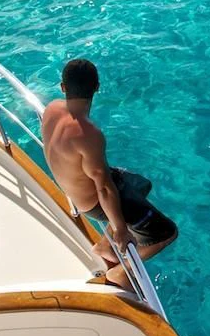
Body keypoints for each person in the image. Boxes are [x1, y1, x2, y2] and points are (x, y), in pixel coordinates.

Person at [41, 59, 177, 288]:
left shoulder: (52, 109)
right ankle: (120, 276)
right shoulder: (89, 134)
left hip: (72, 187)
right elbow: (104, 188)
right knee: (167, 233)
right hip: (92, 202)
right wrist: (121, 230)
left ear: (63, 87)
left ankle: (105, 247)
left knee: (141, 185)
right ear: (97, 87)